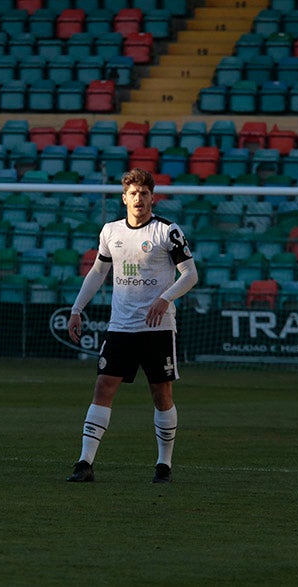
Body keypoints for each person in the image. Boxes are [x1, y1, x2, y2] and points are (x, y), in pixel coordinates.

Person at [65, 168, 198, 484]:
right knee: (103, 386)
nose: (139, 198)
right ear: (124, 198)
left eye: (144, 193)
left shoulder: (167, 231)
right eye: (133, 193)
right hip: (121, 327)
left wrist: (165, 298)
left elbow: (191, 274)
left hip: (158, 328)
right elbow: (98, 273)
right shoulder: (110, 231)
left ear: (153, 197)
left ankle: (163, 464)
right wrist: (76, 309)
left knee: (160, 393)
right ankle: (84, 463)